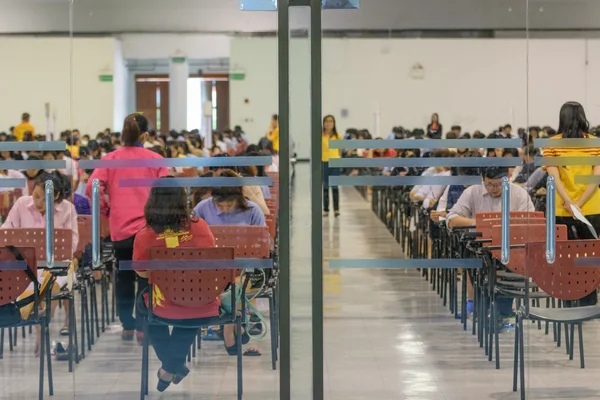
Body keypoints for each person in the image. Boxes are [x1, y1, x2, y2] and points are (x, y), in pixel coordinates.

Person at [86, 113, 169, 342]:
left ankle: (127, 326)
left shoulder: (110, 159)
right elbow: (168, 190)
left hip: (120, 228)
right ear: (145, 135)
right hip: (148, 229)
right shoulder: (155, 159)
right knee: (146, 278)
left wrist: (105, 208)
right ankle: (144, 326)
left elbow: (91, 188)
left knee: (123, 276)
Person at [133, 178, 219, 392]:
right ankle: (171, 368)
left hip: (164, 303)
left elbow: (142, 271)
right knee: (190, 310)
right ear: (183, 200)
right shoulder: (201, 228)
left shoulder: (145, 235)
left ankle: (171, 368)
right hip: (202, 301)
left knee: (145, 307)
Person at [2, 171, 78, 355]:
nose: (36, 202)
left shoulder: (67, 209)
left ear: (56, 196)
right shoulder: (21, 204)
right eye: (34, 195)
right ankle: (40, 324)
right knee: (36, 284)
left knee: (45, 286)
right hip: (28, 268)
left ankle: (41, 329)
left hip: (60, 267)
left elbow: (72, 243)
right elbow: (5, 231)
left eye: (42, 198)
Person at [193, 169, 265, 357]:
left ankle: (228, 326)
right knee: (227, 283)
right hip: (211, 270)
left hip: (244, 271)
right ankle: (234, 323)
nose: (224, 209)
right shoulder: (201, 208)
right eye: (219, 205)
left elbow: (263, 246)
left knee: (238, 282)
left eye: (229, 205)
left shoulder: (252, 211)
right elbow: (191, 241)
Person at [447, 167, 535, 319]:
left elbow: (531, 224)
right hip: (481, 250)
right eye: (489, 184)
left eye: (498, 184)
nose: (493, 189)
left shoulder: (519, 194)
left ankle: (501, 312)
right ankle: (484, 307)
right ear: (482, 178)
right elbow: (452, 220)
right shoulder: (472, 192)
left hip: (511, 249)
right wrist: (480, 223)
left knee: (512, 263)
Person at [544, 101, 600, 306]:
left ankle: (568, 301)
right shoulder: (595, 142)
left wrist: (570, 202)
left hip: (562, 208)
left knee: (566, 257)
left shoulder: (552, 144)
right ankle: (589, 302)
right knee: (590, 257)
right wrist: (580, 203)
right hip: (592, 207)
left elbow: (554, 179)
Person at [322, 115, 342, 217]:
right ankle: (326, 209)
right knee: (325, 186)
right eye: (326, 121)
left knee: (335, 187)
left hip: (335, 162)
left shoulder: (337, 136)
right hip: (324, 162)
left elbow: (340, 150)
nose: (329, 124)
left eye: (331, 121)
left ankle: (336, 209)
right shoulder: (321, 136)